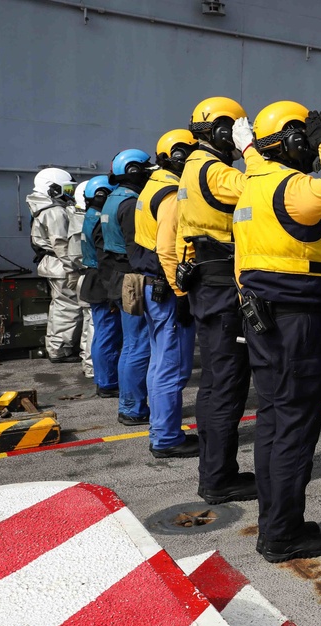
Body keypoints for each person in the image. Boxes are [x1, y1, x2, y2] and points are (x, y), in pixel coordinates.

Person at [232, 100, 321, 561]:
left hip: (260, 314)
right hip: (293, 323)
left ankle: (274, 520)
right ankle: (282, 534)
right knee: (296, 426)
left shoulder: (253, 184)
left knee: (273, 420)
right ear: (293, 142)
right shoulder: (293, 188)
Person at [177, 96, 260, 503]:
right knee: (227, 385)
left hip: (207, 285)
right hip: (225, 287)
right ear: (224, 130)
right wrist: (254, 152)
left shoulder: (190, 169)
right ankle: (218, 479)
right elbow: (262, 188)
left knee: (213, 384)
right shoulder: (215, 171)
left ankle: (216, 471)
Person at [132, 129, 200, 458]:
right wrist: (183, 294)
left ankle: (163, 430)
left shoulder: (151, 187)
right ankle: (167, 438)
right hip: (167, 290)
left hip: (151, 287)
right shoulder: (172, 194)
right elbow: (168, 251)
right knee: (172, 366)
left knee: (160, 362)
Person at [101, 150, 154, 425]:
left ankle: (128, 403)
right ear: (134, 171)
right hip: (132, 279)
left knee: (130, 346)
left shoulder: (113, 197)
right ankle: (133, 408)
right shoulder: (132, 204)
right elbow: (137, 251)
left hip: (116, 276)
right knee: (139, 345)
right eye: (145, 169)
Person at [27, 168, 84, 363]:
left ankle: (56, 347)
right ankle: (60, 350)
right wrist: (72, 270)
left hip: (54, 264)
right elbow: (62, 244)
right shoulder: (54, 212)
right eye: (65, 189)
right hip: (61, 266)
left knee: (60, 306)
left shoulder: (45, 208)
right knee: (68, 308)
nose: (68, 193)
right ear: (51, 188)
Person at [79, 176, 122, 397]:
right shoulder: (100, 221)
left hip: (94, 278)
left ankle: (104, 379)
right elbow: (106, 257)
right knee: (107, 334)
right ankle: (107, 383)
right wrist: (113, 290)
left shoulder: (91, 215)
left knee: (102, 333)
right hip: (102, 280)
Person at [72, 182, 95, 380]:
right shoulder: (87, 221)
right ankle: (92, 365)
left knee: (89, 322)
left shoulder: (78, 220)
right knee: (95, 324)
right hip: (91, 276)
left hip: (84, 276)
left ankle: (87, 362)